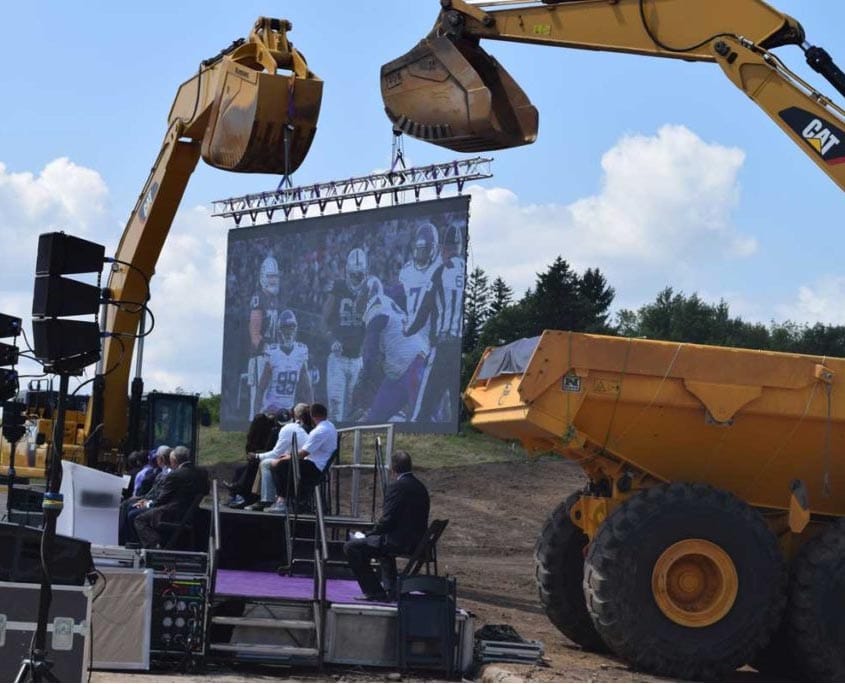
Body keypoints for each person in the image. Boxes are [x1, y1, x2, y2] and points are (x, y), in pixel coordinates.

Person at [343, 450, 430, 601]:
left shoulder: (397, 487)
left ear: (392, 468)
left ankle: (374, 592)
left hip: (400, 542)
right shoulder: (421, 487)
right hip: (418, 542)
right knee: (380, 546)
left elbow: (387, 520)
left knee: (351, 547)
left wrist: (368, 535)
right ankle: (391, 588)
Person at [405, 221, 466, 423]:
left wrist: (408, 330)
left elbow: (425, 308)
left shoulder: (440, 271)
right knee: (456, 408)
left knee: (424, 408)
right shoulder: (466, 269)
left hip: (443, 346)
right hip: (460, 347)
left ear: (443, 248)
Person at [350, 276, 427, 423]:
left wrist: (364, 377)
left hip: (413, 367)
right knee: (374, 419)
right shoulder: (386, 303)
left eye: (360, 295)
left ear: (367, 295)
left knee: (423, 419)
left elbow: (370, 352)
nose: (357, 300)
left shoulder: (376, 309)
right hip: (398, 373)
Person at [321, 247, 368, 421]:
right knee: (335, 409)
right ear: (347, 272)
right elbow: (324, 319)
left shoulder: (370, 289)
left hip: (357, 360)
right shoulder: (339, 287)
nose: (357, 278)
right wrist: (332, 339)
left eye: (360, 275)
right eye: (354, 274)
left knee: (355, 410)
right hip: (338, 358)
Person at [265, 403, 337, 514]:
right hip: (317, 464)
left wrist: (283, 459)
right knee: (285, 463)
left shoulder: (319, 431)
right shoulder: (330, 426)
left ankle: (282, 502)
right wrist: (288, 457)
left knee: (280, 466)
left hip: (315, 467)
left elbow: (303, 453)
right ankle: (290, 499)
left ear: (313, 416)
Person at [132, 446, 209, 549]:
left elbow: (161, 500)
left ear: (174, 461)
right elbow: (206, 490)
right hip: (193, 514)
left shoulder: (174, 475)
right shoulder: (202, 473)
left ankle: (155, 547)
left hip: (172, 514)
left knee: (139, 518)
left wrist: (146, 504)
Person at [246, 404, 310, 511]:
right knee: (266, 462)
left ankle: (268, 500)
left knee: (265, 463)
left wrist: (256, 456)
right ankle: (268, 499)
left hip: (298, 463)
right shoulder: (295, 427)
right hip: (301, 460)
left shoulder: (285, 429)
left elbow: (276, 453)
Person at [256, 309, 313, 415]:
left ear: (295, 329)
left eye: (292, 327)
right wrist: (256, 416)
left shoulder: (301, 351)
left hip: (289, 409)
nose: (288, 332)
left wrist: (312, 415)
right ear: (279, 330)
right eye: (285, 328)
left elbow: (307, 388)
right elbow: (261, 388)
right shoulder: (272, 353)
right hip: (271, 408)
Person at [246, 254, 283, 417]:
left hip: (274, 357)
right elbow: (254, 334)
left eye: (275, 276)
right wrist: (268, 350)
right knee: (260, 403)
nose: (273, 280)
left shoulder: (276, 299)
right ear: (262, 277)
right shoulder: (258, 298)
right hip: (261, 358)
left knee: (274, 403)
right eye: (270, 276)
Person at [118, 445, 171, 545]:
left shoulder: (154, 474)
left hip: (156, 504)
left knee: (130, 510)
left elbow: (157, 495)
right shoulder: (155, 473)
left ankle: (132, 540)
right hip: (149, 499)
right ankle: (124, 539)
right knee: (128, 505)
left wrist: (146, 502)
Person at [398, 222, 442, 342]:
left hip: (429, 330)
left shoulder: (439, 268)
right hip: (409, 326)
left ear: (433, 248)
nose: (422, 254)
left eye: (425, 250)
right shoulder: (407, 270)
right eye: (420, 249)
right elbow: (401, 299)